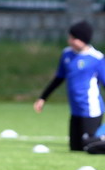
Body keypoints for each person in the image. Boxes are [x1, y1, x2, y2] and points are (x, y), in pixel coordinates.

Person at [34, 21, 105, 151]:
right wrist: (43, 98)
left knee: (88, 146)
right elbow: (58, 78)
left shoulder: (96, 58)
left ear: (83, 40)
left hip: (91, 109)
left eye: (73, 38)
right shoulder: (66, 54)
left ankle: (103, 138)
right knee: (75, 148)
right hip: (75, 110)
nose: (70, 41)